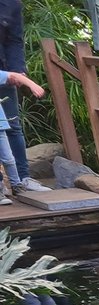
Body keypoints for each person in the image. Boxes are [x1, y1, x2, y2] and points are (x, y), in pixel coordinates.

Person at [0, 0, 43, 193]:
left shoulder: (11, 4)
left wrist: (17, 70)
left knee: (12, 125)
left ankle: (22, 179)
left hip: (5, 71)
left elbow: (14, 40)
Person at [0, 70, 44, 203]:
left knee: (8, 158)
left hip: (0, 127)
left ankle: (17, 184)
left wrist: (32, 85)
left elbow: (14, 76)